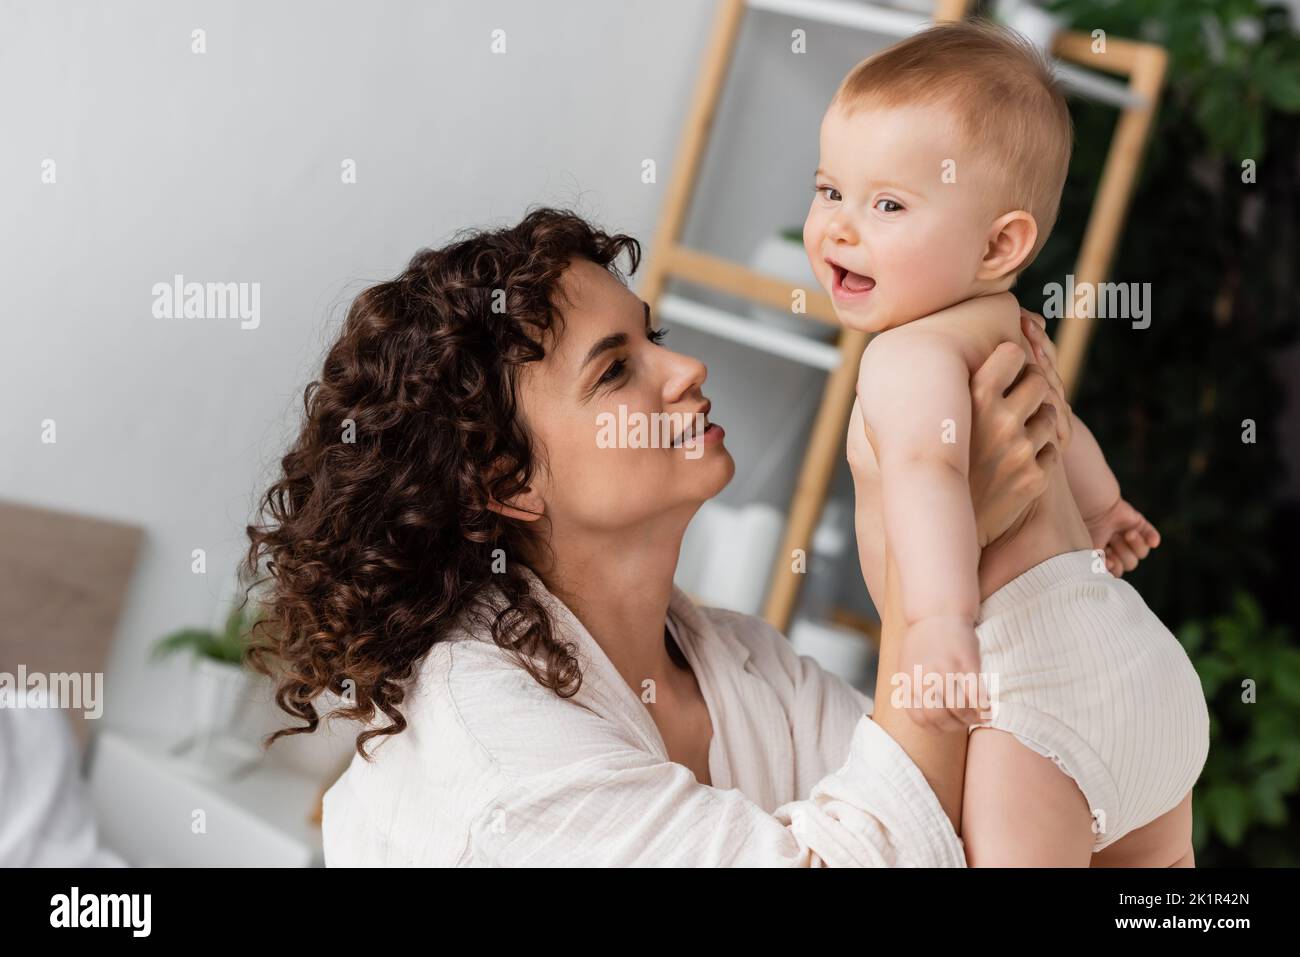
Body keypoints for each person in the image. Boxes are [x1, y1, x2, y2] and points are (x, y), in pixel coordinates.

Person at [244, 207, 1069, 865]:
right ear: (506, 481)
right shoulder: (496, 750)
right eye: (615, 369)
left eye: (654, 339)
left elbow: (970, 814)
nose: (685, 372)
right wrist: (944, 538)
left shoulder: (734, 663)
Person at [803, 20, 1207, 865]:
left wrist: (944, 620)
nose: (839, 227)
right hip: (1138, 661)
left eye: (887, 205)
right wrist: (1105, 505)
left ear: (1001, 243)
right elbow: (1061, 424)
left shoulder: (903, 355)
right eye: (828, 189)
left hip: (1032, 687)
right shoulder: (1011, 328)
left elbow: (931, 471)